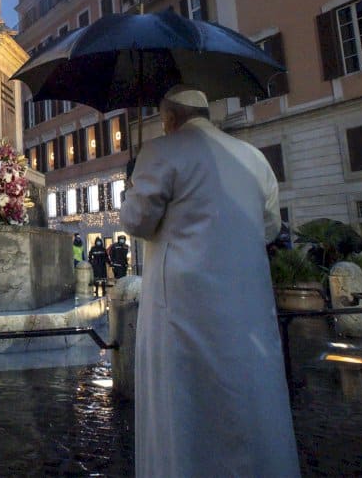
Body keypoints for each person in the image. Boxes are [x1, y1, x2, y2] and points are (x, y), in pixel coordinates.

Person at [119, 85, 299, 477]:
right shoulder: (254, 158)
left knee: (185, 408)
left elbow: (136, 222)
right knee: (249, 395)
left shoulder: (160, 152)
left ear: (169, 117)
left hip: (183, 309)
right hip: (246, 306)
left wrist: (129, 188)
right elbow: (269, 228)